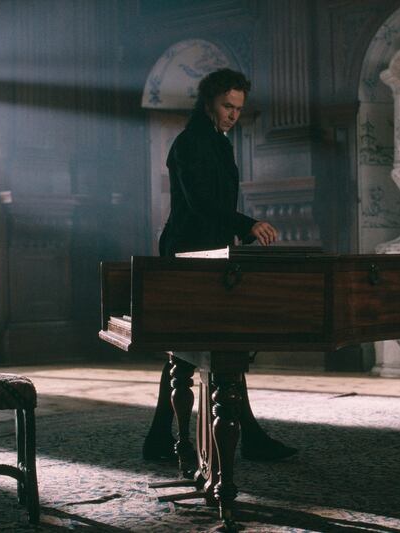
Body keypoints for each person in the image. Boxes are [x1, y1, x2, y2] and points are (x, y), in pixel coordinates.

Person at [143, 68, 298, 462]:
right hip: (187, 254)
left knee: (204, 348)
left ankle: (162, 438)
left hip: (210, 251)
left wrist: (238, 233)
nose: (233, 114)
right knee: (197, 348)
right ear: (209, 99)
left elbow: (217, 207)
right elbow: (201, 205)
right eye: (228, 106)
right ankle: (243, 438)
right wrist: (248, 225)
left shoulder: (217, 142)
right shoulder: (191, 143)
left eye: (239, 108)